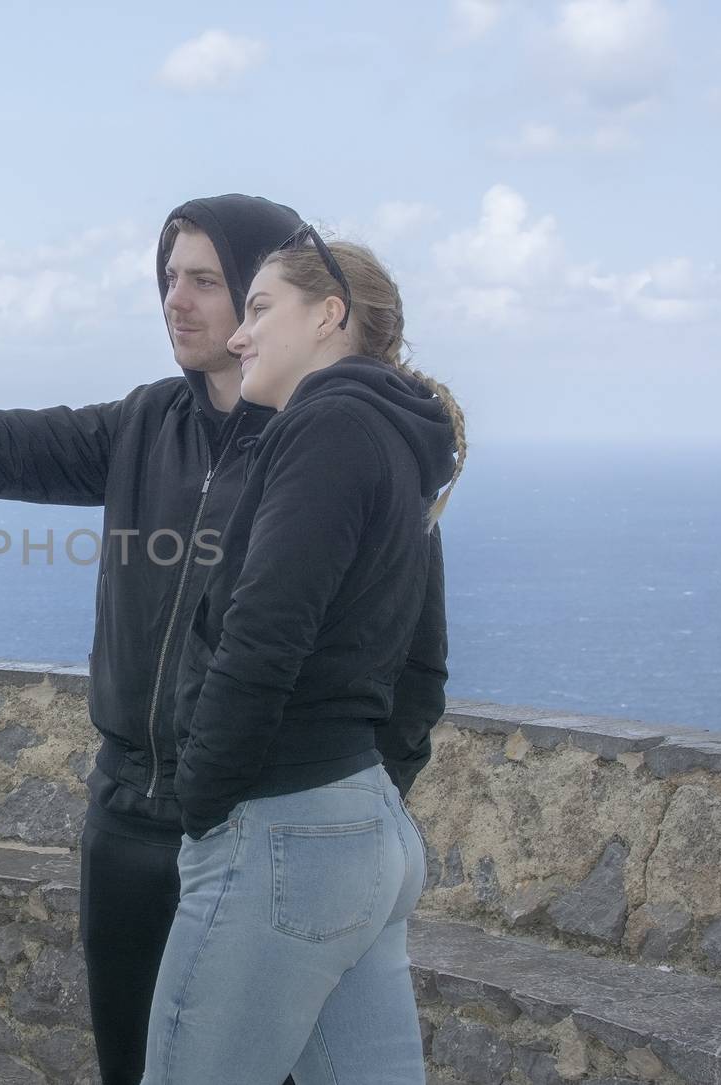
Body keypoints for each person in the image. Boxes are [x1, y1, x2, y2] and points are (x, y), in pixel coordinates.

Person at [0, 197, 446, 1085]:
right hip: (130, 827)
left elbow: (412, 654)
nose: (178, 300)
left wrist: (352, 791)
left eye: (212, 283)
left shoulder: (320, 444)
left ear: (278, 290)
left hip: (242, 820)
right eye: (169, 277)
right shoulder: (144, 425)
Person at [139, 229, 466, 1085]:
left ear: (329, 316)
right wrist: (363, 796)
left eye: (257, 307)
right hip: (361, 836)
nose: (239, 334)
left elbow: (264, 632)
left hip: (279, 826)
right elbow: (421, 667)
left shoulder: (326, 428)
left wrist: (205, 801)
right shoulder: (394, 441)